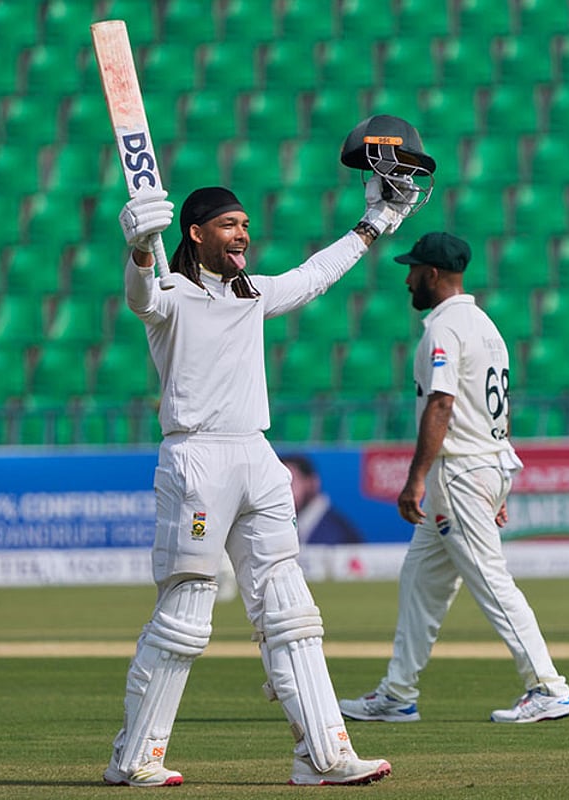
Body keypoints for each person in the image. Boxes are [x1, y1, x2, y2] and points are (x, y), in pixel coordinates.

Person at [102, 173, 419, 787]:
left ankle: (322, 755)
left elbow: (314, 275)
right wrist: (141, 245)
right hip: (196, 460)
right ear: (195, 234)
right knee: (186, 615)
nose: (243, 232)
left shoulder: (251, 293)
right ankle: (135, 757)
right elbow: (141, 294)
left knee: (291, 612)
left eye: (246, 223)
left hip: (257, 456)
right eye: (229, 223)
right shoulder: (169, 292)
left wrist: (374, 224)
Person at [338, 232, 569, 725]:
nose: (407, 280)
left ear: (431, 273)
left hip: (460, 472)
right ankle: (397, 694)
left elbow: (443, 403)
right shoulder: (486, 326)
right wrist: (499, 478)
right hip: (484, 464)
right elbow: (498, 410)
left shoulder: (442, 330)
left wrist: (416, 477)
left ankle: (548, 686)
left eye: (412, 271)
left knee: (491, 580)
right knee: (419, 582)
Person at [282, 454, 364, 545]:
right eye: (279, 487)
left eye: (290, 484)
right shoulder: (288, 524)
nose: (283, 493)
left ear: (312, 483)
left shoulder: (336, 534)